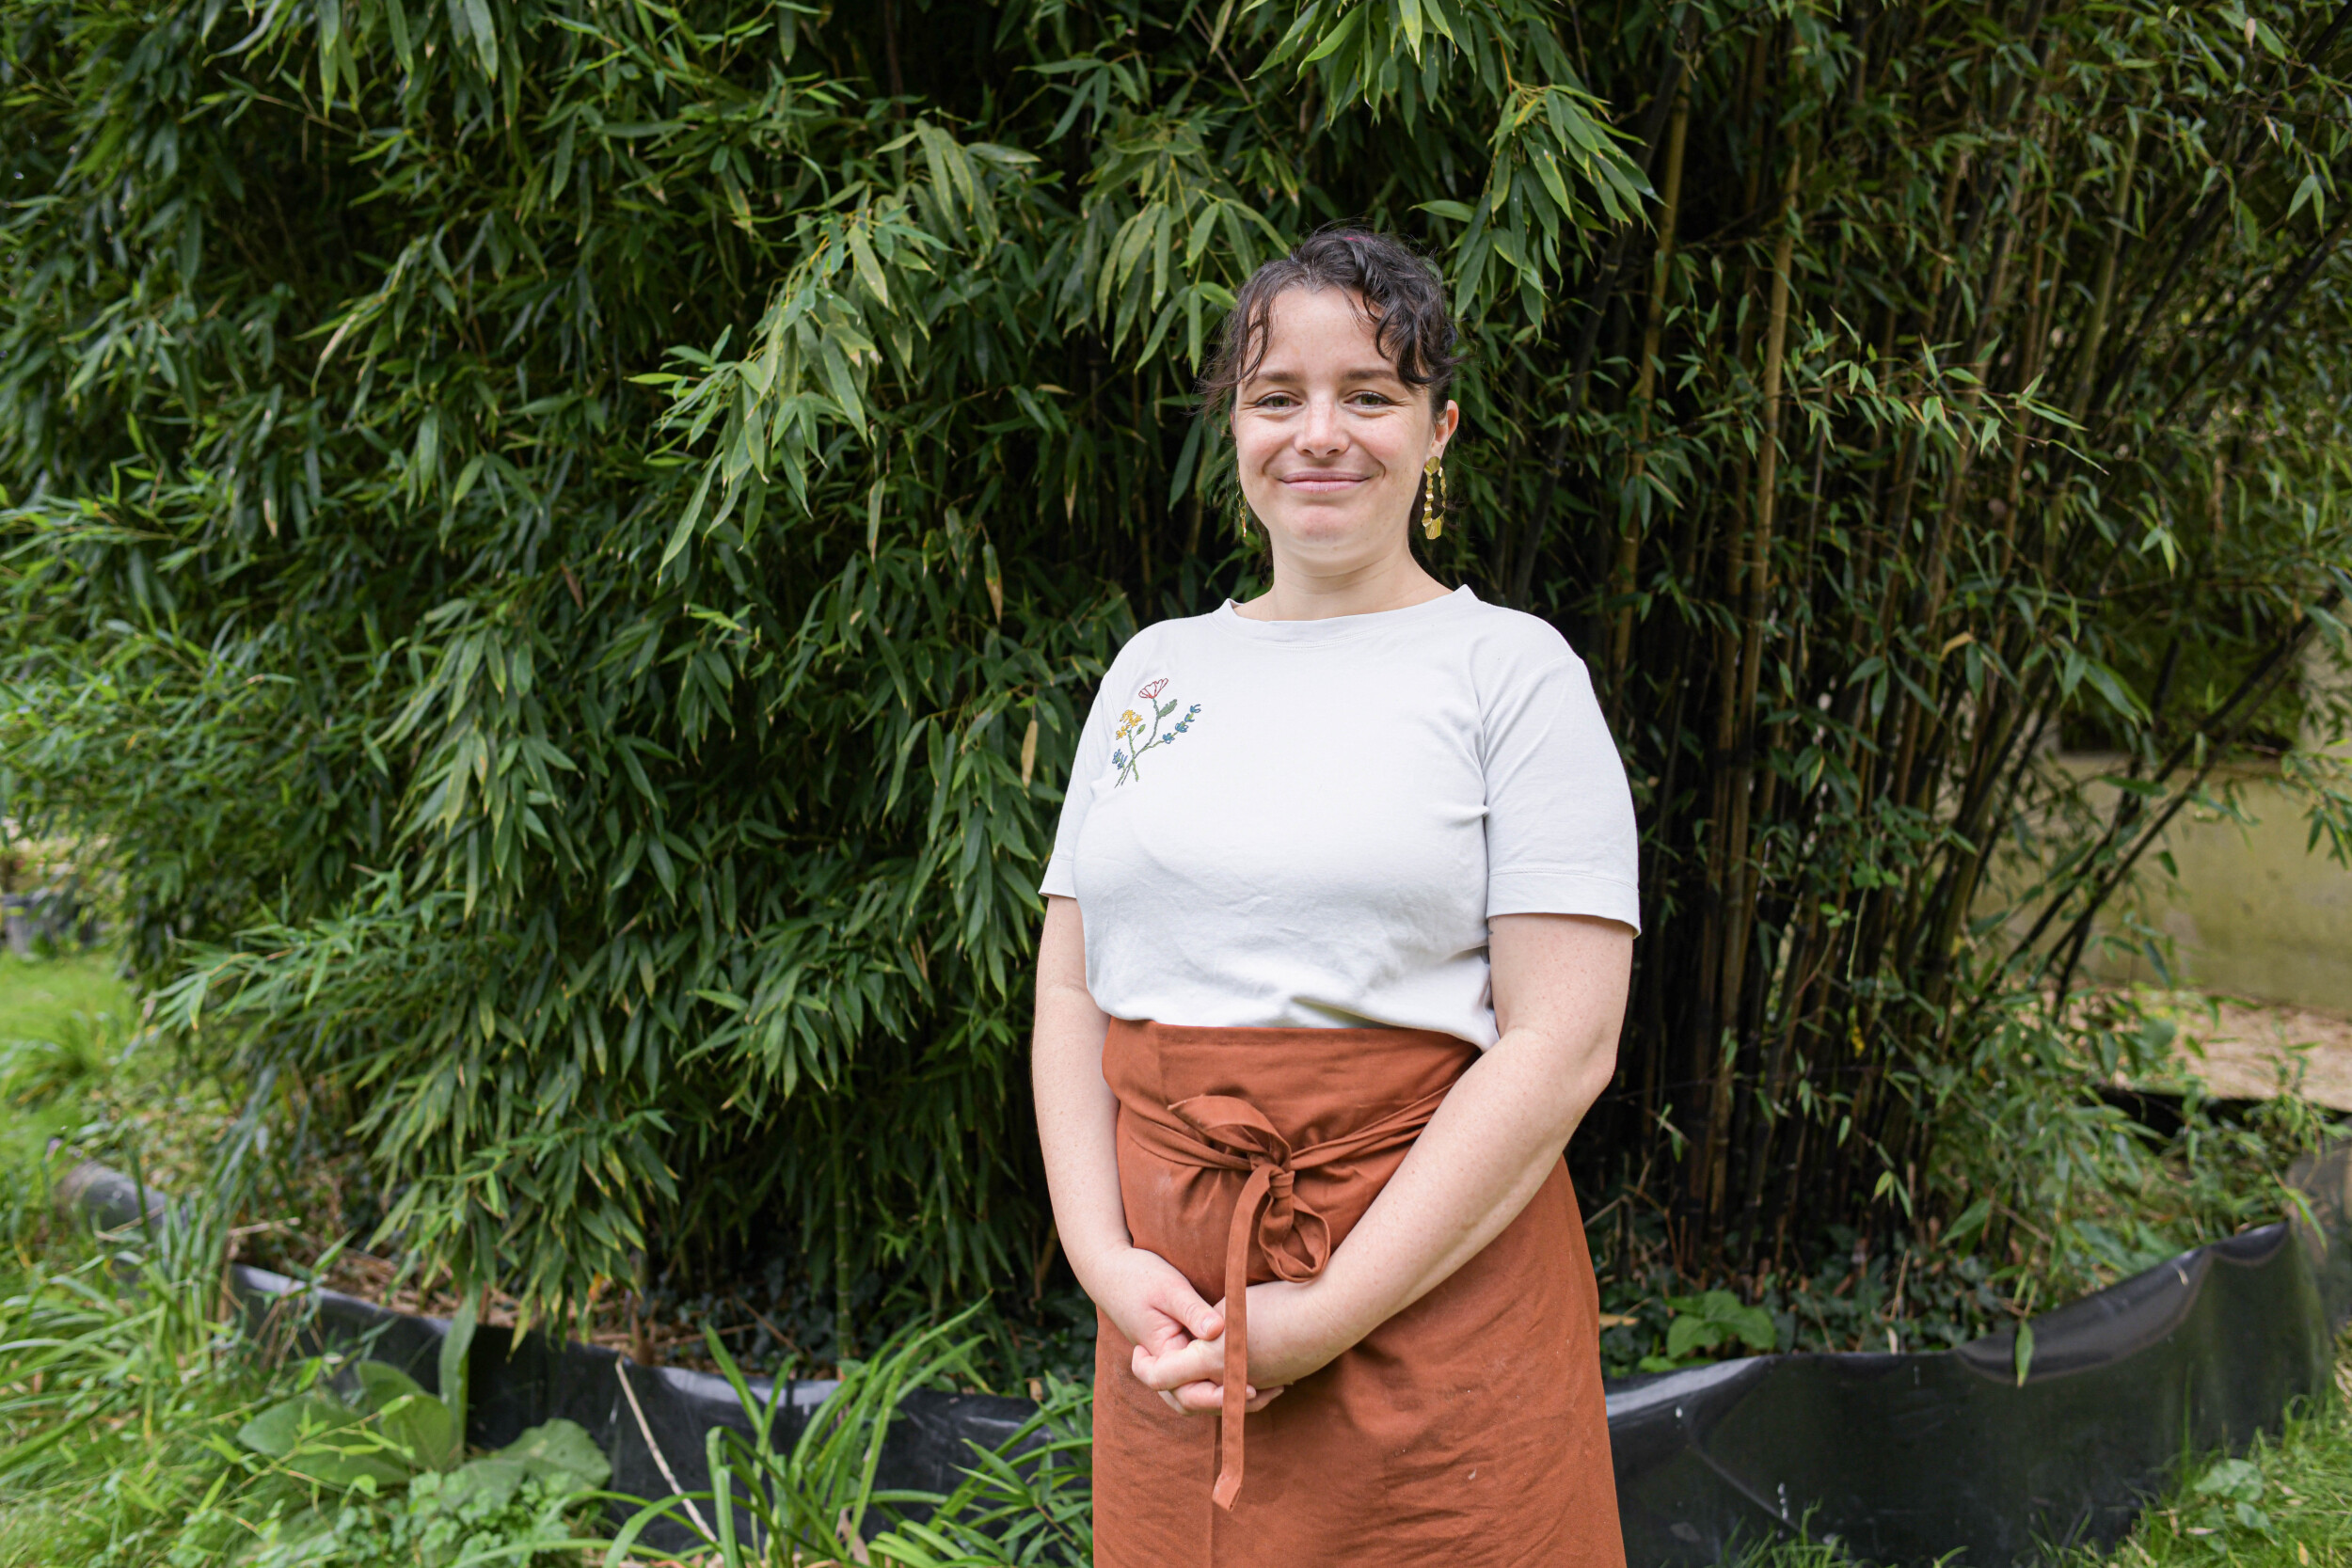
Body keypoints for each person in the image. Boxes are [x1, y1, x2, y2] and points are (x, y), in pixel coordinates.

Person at [1032, 226, 1639, 1567]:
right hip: (1173, 1318)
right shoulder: (1152, 674)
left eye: (1370, 394)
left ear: (1439, 431)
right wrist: (1102, 1260)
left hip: (1426, 1300)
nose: (1320, 433)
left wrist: (1317, 1317)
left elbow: (1561, 1044)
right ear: (1231, 428)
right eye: (1274, 397)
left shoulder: (1509, 675)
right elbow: (1072, 988)